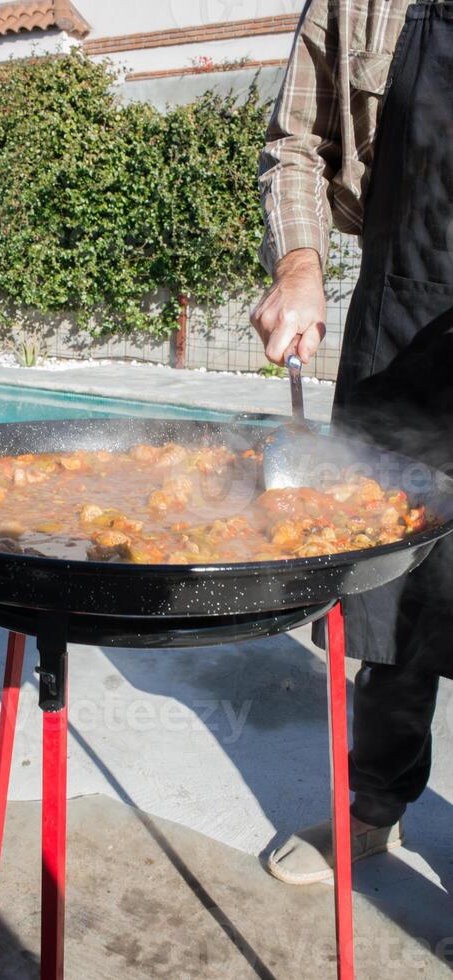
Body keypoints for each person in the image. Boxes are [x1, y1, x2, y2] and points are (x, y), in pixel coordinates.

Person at [251, 0, 453, 885]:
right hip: (397, 312)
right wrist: (299, 264)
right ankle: (373, 805)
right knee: (387, 596)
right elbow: (296, 143)